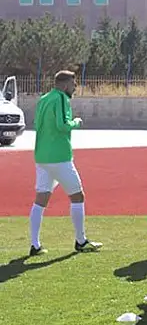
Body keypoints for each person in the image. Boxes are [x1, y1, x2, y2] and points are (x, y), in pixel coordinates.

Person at [28, 70, 102, 256]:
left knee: (40, 200)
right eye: (73, 83)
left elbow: (37, 124)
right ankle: (81, 241)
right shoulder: (61, 98)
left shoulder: (44, 99)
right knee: (78, 196)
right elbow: (62, 125)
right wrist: (76, 122)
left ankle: (35, 244)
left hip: (42, 157)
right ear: (64, 84)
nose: (75, 87)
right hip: (59, 157)